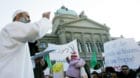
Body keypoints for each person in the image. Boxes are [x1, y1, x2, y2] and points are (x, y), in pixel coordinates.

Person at [0, 10, 52, 78]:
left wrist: (33, 61)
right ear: (18, 16)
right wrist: (45, 19)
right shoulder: (12, 26)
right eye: (27, 17)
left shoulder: (17, 34)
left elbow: (18, 60)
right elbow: (36, 30)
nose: (29, 20)